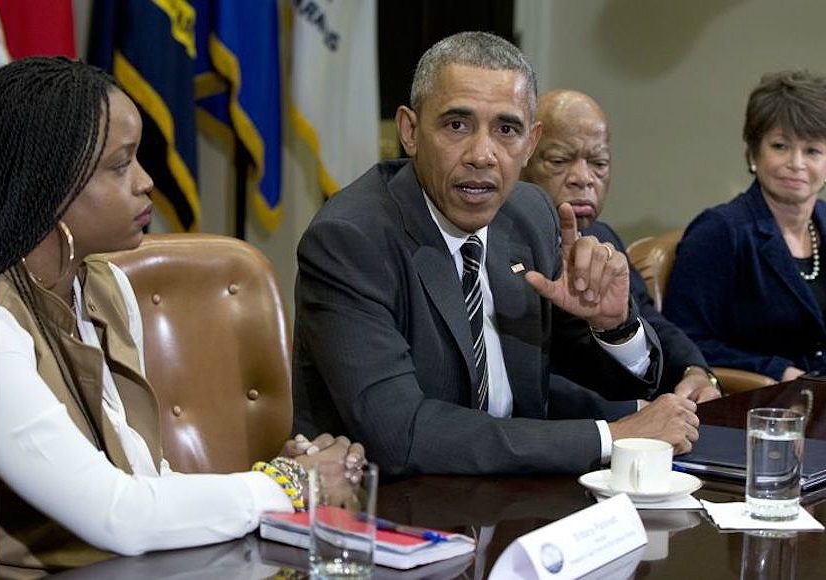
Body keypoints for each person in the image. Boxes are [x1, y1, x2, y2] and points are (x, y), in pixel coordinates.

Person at [0, 57, 363, 575]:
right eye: (120, 165)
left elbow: (147, 479)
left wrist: (289, 476)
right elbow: (116, 513)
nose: (146, 182)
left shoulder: (105, 287)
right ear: (49, 182)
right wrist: (288, 485)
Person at [292, 32, 699, 477]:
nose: (482, 155)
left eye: (507, 130)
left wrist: (613, 327)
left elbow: (597, 378)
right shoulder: (350, 240)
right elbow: (401, 434)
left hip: (518, 498)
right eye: (456, 125)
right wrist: (612, 437)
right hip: (394, 509)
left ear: (530, 142)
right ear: (410, 131)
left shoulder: (528, 213)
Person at [521, 89, 722, 413]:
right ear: (523, 157)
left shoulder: (602, 236)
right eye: (559, 161)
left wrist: (694, 370)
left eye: (599, 163)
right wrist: (635, 413)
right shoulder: (495, 244)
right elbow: (519, 378)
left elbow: (649, 318)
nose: (583, 179)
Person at [666, 70, 826, 382]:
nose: (796, 163)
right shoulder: (720, 232)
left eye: (812, 151)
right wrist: (776, 370)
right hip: (751, 406)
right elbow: (684, 341)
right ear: (753, 152)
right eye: (780, 146)